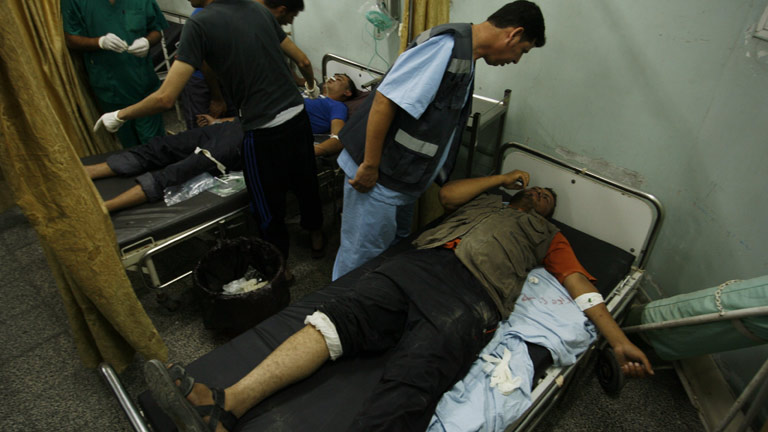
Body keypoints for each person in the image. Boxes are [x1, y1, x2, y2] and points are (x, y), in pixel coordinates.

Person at [143, 169, 654, 432]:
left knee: (413, 383)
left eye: (549, 200)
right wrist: (502, 180)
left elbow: (582, 287)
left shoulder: (547, 235)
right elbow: (448, 196)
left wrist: (616, 339)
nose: (542, 195)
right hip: (413, 267)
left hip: (471, 296)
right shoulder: (486, 199)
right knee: (329, 321)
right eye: (538, 190)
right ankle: (223, 406)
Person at [90, 0, 326, 271]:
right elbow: (303, 60)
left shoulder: (199, 24)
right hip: (297, 119)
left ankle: (278, 268)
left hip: (262, 131)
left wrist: (120, 115)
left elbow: (165, 98)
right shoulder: (258, 9)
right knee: (306, 183)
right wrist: (311, 87)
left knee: (267, 205)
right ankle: (317, 238)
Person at [332, 1, 547, 280]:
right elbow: (385, 100)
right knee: (361, 258)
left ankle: (370, 302)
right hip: (377, 173)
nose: (517, 60)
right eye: (523, 51)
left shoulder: (465, 58)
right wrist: (370, 165)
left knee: (389, 253)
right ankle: (338, 308)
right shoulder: (444, 48)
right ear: (514, 35)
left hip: (400, 176)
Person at [85, 74, 357, 212]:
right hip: (234, 126)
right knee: (164, 145)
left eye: (341, 79)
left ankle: (105, 208)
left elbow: (337, 140)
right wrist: (220, 121)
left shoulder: (336, 107)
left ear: (347, 93)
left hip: (253, 136)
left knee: (187, 167)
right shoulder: (300, 94)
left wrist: (306, 152)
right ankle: (87, 173)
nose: (333, 77)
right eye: (333, 75)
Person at [179, 0, 305, 129]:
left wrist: (295, 79)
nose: (290, 22)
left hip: (228, 78)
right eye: (291, 16)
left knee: (232, 127)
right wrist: (217, 98)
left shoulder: (250, 9)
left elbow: (270, 52)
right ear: (281, 10)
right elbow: (206, 64)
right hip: (204, 80)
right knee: (203, 130)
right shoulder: (205, 17)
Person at [62, 0, 168, 148]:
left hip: (143, 84)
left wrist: (147, 41)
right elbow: (71, 39)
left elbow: (156, 30)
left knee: (155, 144)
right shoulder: (76, 2)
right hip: (110, 88)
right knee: (129, 147)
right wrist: (99, 42)